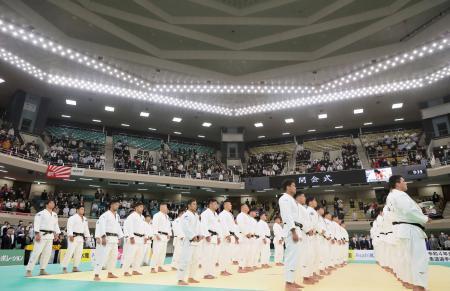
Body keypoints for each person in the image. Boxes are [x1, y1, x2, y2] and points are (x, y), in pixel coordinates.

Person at [386, 175, 430, 291]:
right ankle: (419, 288)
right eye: (404, 181)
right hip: (410, 230)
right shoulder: (399, 195)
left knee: (409, 259)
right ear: (397, 183)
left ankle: (416, 285)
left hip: (403, 230)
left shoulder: (391, 196)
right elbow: (409, 211)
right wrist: (424, 218)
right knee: (419, 259)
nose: (406, 183)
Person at [278, 179, 304, 290]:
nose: (295, 187)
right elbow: (287, 216)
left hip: (296, 228)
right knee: (291, 258)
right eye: (293, 185)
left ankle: (292, 281)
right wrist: (293, 231)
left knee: (295, 258)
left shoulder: (291, 199)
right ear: (288, 187)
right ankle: (288, 284)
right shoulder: (284, 199)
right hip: (290, 229)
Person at [25, 199, 60, 277]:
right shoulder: (40, 213)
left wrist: (56, 234)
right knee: (36, 252)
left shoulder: (54, 214)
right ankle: (29, 270)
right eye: (51, 203)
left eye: (54, 203)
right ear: (46, 204)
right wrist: (37, 233)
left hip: (50, 236)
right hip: (41, 235)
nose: (53, 204)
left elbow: (55, 225)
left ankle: (42, 269)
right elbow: (36, 224)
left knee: (47, 254)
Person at [93, 199, 123, 281]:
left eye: (118, 205)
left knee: (113, 257)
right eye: (116, 204)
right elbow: (100, 226)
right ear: (111, 205)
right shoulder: (105, 215)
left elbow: (118, 227)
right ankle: (96, 274)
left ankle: (110, 273)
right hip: (106, 238)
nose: (117, 206)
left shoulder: (117, 216)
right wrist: (102, 237)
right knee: (101, 257)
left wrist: (120, 237)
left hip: (114, 239)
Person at [177, 199, 203, 286]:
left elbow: (199, 226)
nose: (195, 206)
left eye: (196, 204)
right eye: (194, 204)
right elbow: (185, 227)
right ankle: (180, 279)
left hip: (196, 241)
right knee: (185, 260)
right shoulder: (186, 215)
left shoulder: (196, 215)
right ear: (189, 205)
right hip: (188, 240)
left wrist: (200, 235)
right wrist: (193, 236)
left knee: (195, 260)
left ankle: (191, 277)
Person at [61, 205, 90, 273]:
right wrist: (70, 235)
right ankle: (64, 267)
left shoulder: (85, 219)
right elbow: (69, 227)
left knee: (79, 253)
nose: (82, 210)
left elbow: (86, 229)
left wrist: (87, 236)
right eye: (81, 209)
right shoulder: (72, 218)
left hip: (81, 237)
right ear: (77, 210)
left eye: (83, 209)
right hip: (73, 237)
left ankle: (75, 267)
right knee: (70, 252)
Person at [122, 202, 146, 276]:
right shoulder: (132, 216)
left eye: (142, 207)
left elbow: (143, 228)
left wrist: (145, 236)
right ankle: (125, 271)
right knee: (130, 255)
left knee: (139, 255)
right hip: (134, 237)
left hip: (141, 238)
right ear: (136, 208)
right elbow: (129, 227)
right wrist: (131, 237)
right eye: (140, 207)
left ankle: (135, 270)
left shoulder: (142, 217)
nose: (142, 208)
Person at [201, 198, 221, 279]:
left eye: (217, 204)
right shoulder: (205, 213)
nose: (217, 205)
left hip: (215, 236)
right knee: (207, 256)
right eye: (215, 204)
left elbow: (218, 227)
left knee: (213, 256)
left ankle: (211, 272)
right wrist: (206, 235)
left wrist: (219, 236)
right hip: (209, 236)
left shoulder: (216, 214)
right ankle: (206, 273)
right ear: (210, 204)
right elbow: (203, 225)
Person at [150, 202, 172, 273]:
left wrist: (169, 234)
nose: (166, 208)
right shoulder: (157, 215)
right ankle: (152, 268)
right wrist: (156, 234)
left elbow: (168, 227)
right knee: (156, 252)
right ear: (161, 207)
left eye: (166, 207)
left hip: (165, 236)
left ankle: (160, 267)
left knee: (163, 253)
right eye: (165, 207)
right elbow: (154, 225)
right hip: (159, 235)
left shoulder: (167, 216)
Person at [218, 199, 238, 276]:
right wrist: (227, 235)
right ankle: (222, 270)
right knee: (224, 254)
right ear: (225, 205)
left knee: (229, 254)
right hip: (227, 236)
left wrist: (235, 236)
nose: (231, 206)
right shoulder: (222, 214)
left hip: (231, 235)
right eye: (230, 204)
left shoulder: (229, 214)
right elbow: (223, 225)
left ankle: (225, 269)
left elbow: (233, 226)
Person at [236, 203, 253, 273]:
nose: (248, 207)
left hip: (248, 236)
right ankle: (240, 267)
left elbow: (249, 227)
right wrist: (246, 233)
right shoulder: (240, 215)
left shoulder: (247, 216)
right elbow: (241, 226)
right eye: (246, 206)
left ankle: (245, 266)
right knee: (242, 252)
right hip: (243, 236)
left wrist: (251, 233)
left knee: (247, 252)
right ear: (242, 208)